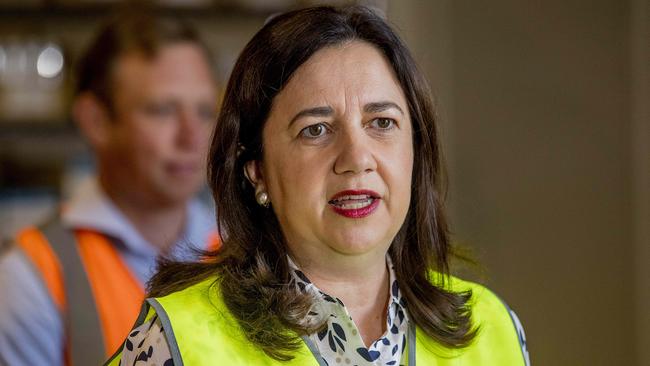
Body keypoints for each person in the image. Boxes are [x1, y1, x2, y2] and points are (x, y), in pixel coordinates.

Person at [107, 6, 530, 366]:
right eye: (316, 130)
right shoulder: (175, 341)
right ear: (256, 169)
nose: (357, 159)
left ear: (415, 152)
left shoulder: (494, 328)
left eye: (382, 123)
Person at [0, 11, 220, 366]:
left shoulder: (236, 247)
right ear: (96, 121)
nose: (192, 136)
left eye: (205, 110)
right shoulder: (31, 277)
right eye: (163, 110)